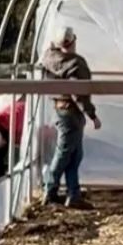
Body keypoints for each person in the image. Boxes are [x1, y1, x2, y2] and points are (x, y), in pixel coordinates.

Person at [39, 25, 100, 209]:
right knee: (64, 152)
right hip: (71, 112)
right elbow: (78, 93)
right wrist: (92, 115)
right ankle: (50, 190)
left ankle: (73, 193)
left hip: (60, 109)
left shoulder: (50, 58)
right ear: (74, 42)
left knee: (74, 154)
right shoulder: (75, 64)